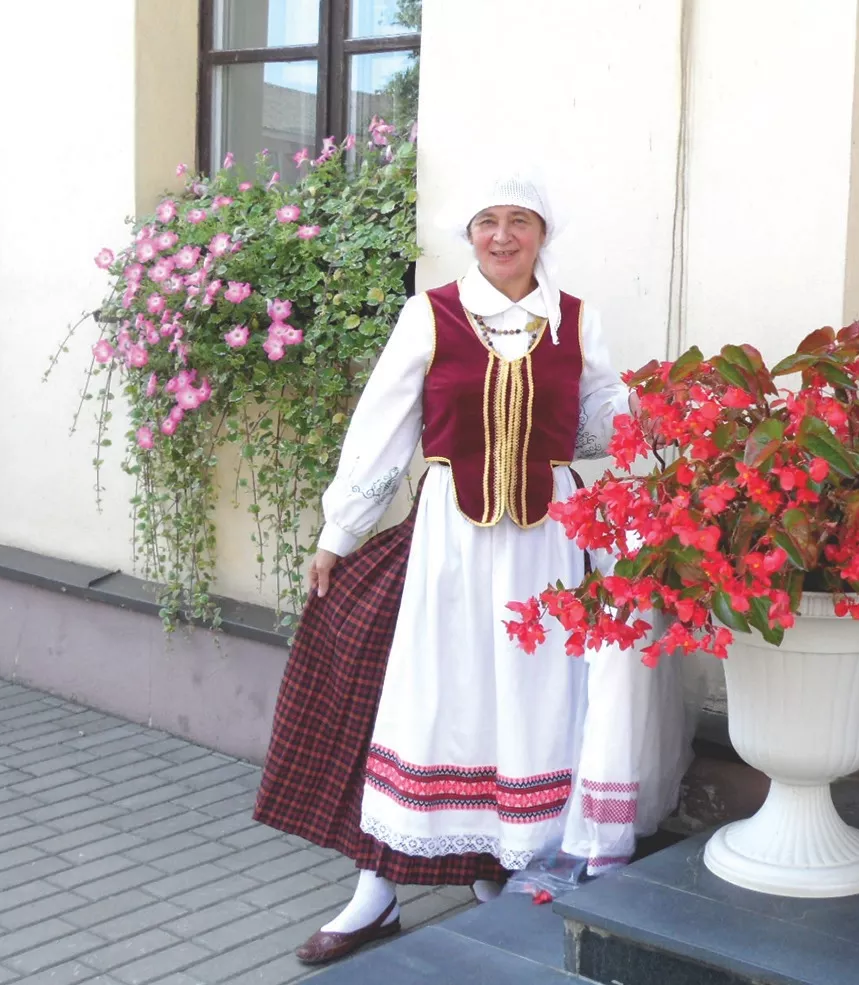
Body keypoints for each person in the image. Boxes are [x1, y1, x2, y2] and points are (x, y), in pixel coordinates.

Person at [253, 172, 690, 966]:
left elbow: (597, 424)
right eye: (487, 222)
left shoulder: (576, 321)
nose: (501, 236)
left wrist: (651, 418)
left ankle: (503, 865)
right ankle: (375, 892)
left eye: (518, 221)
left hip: (550, 546)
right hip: (451, 544)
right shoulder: (431, 314)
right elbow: (381, 424)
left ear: (542, 234)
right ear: (469, 234)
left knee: (530, 700)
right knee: (432, 699)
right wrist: (337, 533)